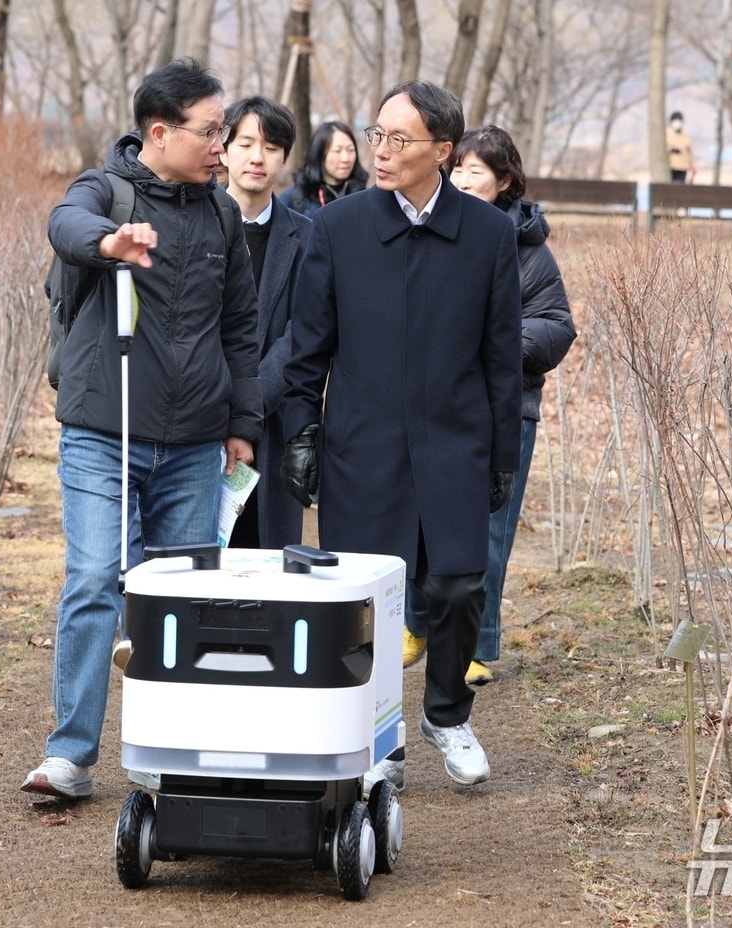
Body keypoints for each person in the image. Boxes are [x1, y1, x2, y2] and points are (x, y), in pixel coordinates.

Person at [23, 58, 262, 799]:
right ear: (159, 132)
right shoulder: (106, 190)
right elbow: (66, 223)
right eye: (210, 131)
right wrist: (108, 244)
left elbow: (242, 327)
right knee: (96, 579)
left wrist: (242, 425)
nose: (222, 146)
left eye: (224, 131)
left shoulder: (221, 213)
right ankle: (69, 757)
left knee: (180, 602)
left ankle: (175, 751)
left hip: (196, 442)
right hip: (103, 429)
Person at [280, 81, 522, 792]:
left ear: (443, 151)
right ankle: (374, 730)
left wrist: (502, 455)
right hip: (363, 443)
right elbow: (307, 351)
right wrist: (303, 432)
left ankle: (446, 714)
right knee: (367, 601)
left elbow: (501, 356)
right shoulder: (340, 227)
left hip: (456, 441)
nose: (379, 151)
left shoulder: (489, 235)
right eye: (376, 134)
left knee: (456, 585)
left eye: (399, 139)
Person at [402, 125, 576, 686]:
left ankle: (475, 643)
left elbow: (555, 326)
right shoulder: (434, 231)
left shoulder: (529, 248)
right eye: (459, 170)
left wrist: (494, 348)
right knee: (421, 521)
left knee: (490, 532)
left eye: (478, 171)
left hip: (506, 410)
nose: (464, 180)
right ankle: (418, 622)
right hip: (434, 407)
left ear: (505, 181)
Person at [221, 95, 313, 550]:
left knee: (265, 569)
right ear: (223, 148)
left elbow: (304, 330)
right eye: (245, 143)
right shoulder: (193, 223)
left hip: (271, 427)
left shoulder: (308, 237)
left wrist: (249, 411)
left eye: (272, 146)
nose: (257, 157)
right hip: (197, 422)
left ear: (285, 158)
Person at [280, 119, 370, 219]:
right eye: (337, 151)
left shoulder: (366, 198)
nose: (346, 158)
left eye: (351, 150)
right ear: (319, 154)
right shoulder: (292, 201)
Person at [667, 111, 694, 183]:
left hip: (683, 168)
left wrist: (693, 168)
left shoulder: (685, 135)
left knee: (680, 186)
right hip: (670, 167)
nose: (678, 123)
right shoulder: (667, 133)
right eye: (676, 120)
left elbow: (689, 151)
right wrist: (671, 149)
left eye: (679, 120)